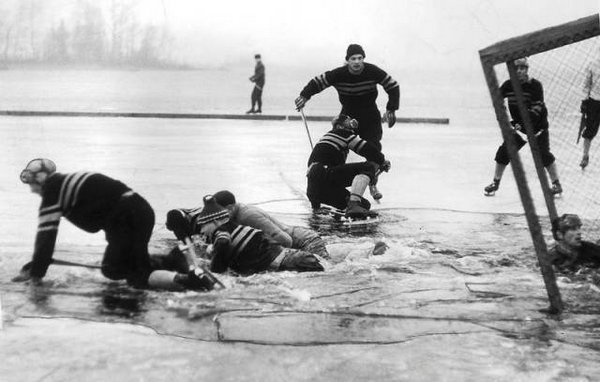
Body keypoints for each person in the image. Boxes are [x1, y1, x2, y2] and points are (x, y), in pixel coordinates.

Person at [12, 158, 216, 292]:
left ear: (40, 180)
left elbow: (46, 238)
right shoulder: (69, 180)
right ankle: (172, 260)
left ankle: (188, 282)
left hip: (124, 218)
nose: (32, 191)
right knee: (120, 266)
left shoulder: (51, 194)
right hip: (141, 210)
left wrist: (36, 274)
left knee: (132, 275)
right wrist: (40, 261)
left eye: (31, 185)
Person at [173, 195, 324, 275]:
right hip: (295, 256)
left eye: (203, 226)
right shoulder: (229, 226)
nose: (201, 231)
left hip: (303, 244)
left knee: (331, 273)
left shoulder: (245, 218)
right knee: (329, 268)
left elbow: (285, 240)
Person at [294, 43, 400, 151]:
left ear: (363, 59)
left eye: (360, 58)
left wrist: (391, 109)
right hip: (347, 115)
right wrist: (304, 97)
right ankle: (333, 167)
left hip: (370, 115)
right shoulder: (339, 74)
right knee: (337, 144)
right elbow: (317, 83)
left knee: (373, 148)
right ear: (348, 60)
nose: (357, 62)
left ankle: (374, 166)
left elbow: (393, 86)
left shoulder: (372, 71)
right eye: (353, 59)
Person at [484, 57, 562, 196]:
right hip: (519, 126)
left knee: (544, 156)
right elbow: (497, 100)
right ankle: (495, 183)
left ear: (527, 70)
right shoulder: (508, 85)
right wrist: (503, 121)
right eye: (517, 68)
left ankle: (556, 184)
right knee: (503, 152)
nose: (519, 71)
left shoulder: (535, 85)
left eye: (523, 68)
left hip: (538, 126)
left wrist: (523, 124)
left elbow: (537, 108)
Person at [306, 114, 391, 219]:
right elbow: (368, 150)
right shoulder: (341, 134)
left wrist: (316, 207)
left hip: (317, 190)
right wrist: (382, 160)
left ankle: (353, 208)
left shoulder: (328, 138)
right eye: (348, 120)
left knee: (364, 205)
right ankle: (353, 205)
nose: (351, 122)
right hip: (326, 176)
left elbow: (313, 176)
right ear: (339, 126)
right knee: (368, 167)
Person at [212, 190, 329, 258]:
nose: (218, 218)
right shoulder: (235, 213)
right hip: (298, 238)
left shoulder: (248, 216)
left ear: (230, 208)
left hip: (306, 241)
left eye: (219, 213)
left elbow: (286, 240)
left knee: (327, 271)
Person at [579, 57, 600, 169]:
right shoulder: (593, 64)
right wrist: (584, 100)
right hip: (594, 101)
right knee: (590, 130)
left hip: (594, 100)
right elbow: (586, 84)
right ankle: (585, 155)